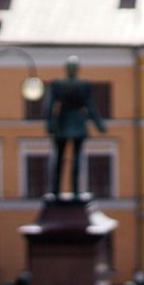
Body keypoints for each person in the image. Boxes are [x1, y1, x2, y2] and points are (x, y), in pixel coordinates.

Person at [44, 55, 107, 198]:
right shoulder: (83, 85)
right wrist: (99, 124)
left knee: (60, 158)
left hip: (63, 121)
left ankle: (56, 190)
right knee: (76, 158)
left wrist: (49, 122)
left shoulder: (58, 84)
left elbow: (49, 106)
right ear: (77, 69)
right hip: (77, 121)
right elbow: (90, 107)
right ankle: (75, 189)